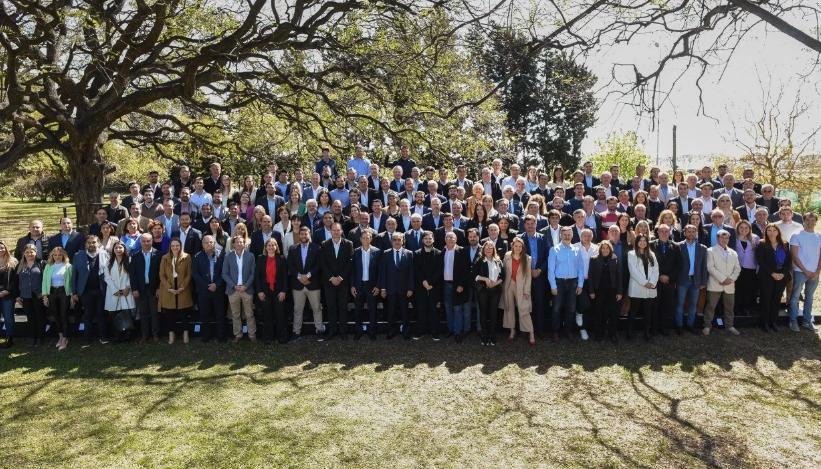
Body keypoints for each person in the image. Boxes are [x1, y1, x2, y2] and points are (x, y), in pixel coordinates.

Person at [547, 226, 585, 342]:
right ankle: (555, 332)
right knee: (557, 308)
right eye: (565, 234)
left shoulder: (577, 250)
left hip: (573, 283)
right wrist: (553, 286)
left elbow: (581, 269)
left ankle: (568, 331)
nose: (567, 236)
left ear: (572, 235)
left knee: (571, 308)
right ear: (560, 235)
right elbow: (550, 269)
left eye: (569, 234)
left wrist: (580, 285)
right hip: (559, 283)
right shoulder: (554, 249)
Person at [703, 230, 741, 336]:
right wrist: (723, 279)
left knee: (729, 307)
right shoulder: (710, 251)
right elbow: (710, 267)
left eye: (726, 238)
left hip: (729, 285)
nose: (724, 240)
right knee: (711, 306)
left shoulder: (733, 253)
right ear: (717, 238)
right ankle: (707, 326)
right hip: (715, 284)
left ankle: (730, 326)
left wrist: (731, 279)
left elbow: (737, 269)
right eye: (722, 237)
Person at [318, 223, 353, 339]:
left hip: (343, 282)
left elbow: (350, 262)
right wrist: (332, 278)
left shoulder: (348, 244)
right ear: (331, 231)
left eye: (338, 230)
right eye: (334, 230)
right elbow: (322, 263)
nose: (336, 232)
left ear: (342, 231)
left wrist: (340, 277)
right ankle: (332, 331)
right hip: (329, 282)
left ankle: (343, 332)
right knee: (331, 307)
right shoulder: (324, 244)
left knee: (343, 307)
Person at [287, 226, 323, 339]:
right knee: (298, 309)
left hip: (313, 284)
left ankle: (319, 330)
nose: (303, 236)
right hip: (298, 285)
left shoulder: (317, 248)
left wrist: (307, 276)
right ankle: (296, 332)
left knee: (316, 308)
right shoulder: (293, 248)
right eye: (301, 234)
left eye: (305, 234)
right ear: (299, 235)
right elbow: (290, 265)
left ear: (309, 235)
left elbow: (319, 265)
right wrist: (300, 276)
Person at [72, 236, 109, 345]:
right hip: (85, 291)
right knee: (87, 315)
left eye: (93, 242)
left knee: (101, 314)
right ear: (85, 244)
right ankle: (87, 339)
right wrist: (74, 292)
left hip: (101, 290)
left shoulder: (105, 254)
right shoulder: (78, 256)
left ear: (98, 243)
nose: (91, 244)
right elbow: (74, 275)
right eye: (89, 242)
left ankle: (103, 337)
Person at [756, 224, 792, 332]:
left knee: (776, 300)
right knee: (766, 300)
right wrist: (772, 273)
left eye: (774, 230)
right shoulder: (762, 244)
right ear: (766, 232)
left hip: (781, 277)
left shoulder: (785, 244)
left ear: (778, 232)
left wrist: (783, 274)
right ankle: (765, 323)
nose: (772, 232)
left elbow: (789, 261)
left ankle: (773, 322)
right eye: (769, 230)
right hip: (767, 276)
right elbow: (760, 261)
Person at [379, 232, 414, 340]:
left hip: (404, 289)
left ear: (403, 241)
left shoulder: (409, 253)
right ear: (391, 241)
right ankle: (391, 331)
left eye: (399, 240)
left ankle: (406, 332)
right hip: (390, 288)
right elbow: (383, 272)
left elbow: (411, 273)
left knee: (405, 311)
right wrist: (383, 289)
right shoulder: (385, 253)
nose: (397, 242)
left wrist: (410, 288)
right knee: (391, 312)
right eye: (395, 240)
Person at [788, 212, 819, 331]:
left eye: (812, 220)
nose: (810, 223)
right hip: (800, 271)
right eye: (807, 220)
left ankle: (807, 321)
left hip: (814, 273)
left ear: (816, 221)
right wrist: (805, 271)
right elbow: (794, 256)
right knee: (795, 296)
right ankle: (793, 321)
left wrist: (817, 272)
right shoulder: (796, 235)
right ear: (804, 221)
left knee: (810, 297)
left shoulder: (819, 236)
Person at [192, 235, 227, 342]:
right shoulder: (197, 256)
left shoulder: (222, 254)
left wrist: (216, 284)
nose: (209, 244)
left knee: (220, 314)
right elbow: (195, 274)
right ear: (202, 245)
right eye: (206, 243)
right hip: (203, 291)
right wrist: (206, 285)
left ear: (214, 243)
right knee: (204, 314)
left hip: (218, 289)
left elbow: (225, 272)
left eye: (211, 242)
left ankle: (221, 336)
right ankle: (206, 336)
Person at [159, 238, 193, 344]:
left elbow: (189, 274)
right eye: (173, 245)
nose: (175, 248)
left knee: (184, 314)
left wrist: (183, 286)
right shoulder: (164, 258)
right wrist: (169, 287)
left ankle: (185, 334)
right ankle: (171, 334)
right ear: (170, 246)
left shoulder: (187, 257)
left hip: (182, 289)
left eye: (177, 245)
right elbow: (162, 274)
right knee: (170, 314)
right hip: (169, 290)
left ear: (180, 246)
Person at [222, 235, 256, 343]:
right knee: (235, 314)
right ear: (233, 244)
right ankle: (238, 334)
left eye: (241, 242)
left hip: (247, 289)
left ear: (244, 244)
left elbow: (253, 273)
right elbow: (224, 273)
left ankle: (252, 334)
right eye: (237, 242)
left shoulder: (250, 256)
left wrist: (246, 285)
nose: (239, 244)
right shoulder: (228, 256)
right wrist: (233, 285)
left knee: (249, 314)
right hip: (233, 290)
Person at [675, 224, 708, 334]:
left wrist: (703, 281)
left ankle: (690, 324)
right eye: (688, 231)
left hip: (696, 280)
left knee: (693, 304)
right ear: (684, 233)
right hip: (682, 280)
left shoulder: (703, 248)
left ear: (696, 233)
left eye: (693, 231)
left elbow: (704, 266)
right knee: (680, 304)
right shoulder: (678, 246)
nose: (691, 233)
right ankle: (679, 326)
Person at [588, 240, 623, 342]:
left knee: (613, 313)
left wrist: (620, 292)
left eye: (607, 248)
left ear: (610, 249)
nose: (605, 250)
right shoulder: (594, 259)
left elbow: (619, 276)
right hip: (598, 290)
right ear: (600, 249)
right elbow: (590, 276)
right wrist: (591, 291)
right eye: (603, 248)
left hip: (612, 290)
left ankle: (613, 334)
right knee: (599, 313)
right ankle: (599, 333)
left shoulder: (615, 258)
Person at [128, 233, 161, 342]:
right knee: (143, 313)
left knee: (154, 313)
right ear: (140, 242)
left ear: (152, 241)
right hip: (140, 289)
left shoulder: (158, 254)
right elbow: (132, 275)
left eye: (148, 241)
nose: (146, 243)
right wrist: (134, 289)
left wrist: (159, 288)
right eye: (144, 241)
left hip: (154, 288)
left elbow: (161, 273)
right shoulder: (135, 255)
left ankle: (155, 334)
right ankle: (145, 335)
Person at [255, 238, 289, 344]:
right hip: (265, 291)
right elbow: (257, 277)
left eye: (273, 245)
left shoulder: (282, 258)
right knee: (267, 314)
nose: (271, 247)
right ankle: (268, 337)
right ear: (265, 247)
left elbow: (285, 277)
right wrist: (259, 291)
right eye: (268, 245)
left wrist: (283, 291)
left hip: (279, 291)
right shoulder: (260, 258)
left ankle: (281, 337)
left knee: (280, 314)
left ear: (276, 247)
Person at [501, 237, 534, 345]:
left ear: (522, 247)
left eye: (520, 246)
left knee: (523, 309)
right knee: (509, 308)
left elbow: (529, 276)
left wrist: (527, 291)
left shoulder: (527, 258)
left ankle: (531, 333)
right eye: (516, 246)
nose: (518, 248)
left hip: (522, 287)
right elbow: (504, 271)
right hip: (508, 285)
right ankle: (512, 331)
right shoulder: (507, 256)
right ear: (512, 246)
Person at [626, 234, 659, 340]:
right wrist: (645, 283)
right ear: (636, 242)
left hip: (650, 287)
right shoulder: (631, 254)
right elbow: (633, 271)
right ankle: (629, 332)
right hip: (637, 287)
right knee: (633, 311)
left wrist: (652, 282)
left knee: (648, 312)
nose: (643, 243)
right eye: (640, 240)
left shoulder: (651, 254)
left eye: (645, 241)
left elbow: (656, 270)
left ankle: (646, 332)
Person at [351, 229, 382, 340]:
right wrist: (352, 285)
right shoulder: (355, 251)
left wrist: (378, 286)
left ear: (371, 239)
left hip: (372, 286)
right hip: (359, 285)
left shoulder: (377, 252)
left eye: (367, 238)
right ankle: (358, 331)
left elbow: (380, 271)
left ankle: (372, 332)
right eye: (363, 238)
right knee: (358, 310)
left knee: (372, 310)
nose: (365, 240)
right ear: (360, 239)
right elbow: (353, 270)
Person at [42, 246, 74, 351]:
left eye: (59, 255)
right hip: (52, 292)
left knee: (64, 315)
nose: (57, 257)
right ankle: (60, 337)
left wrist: (72, 295)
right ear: (52, 256)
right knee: (55, 315)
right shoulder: (48, 266)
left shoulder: (68, 266)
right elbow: (44, 281)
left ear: (63, 255)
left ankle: (65, 338)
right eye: (55, 255)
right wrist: (45, 295)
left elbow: (71, 282)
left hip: (64, 292)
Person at [651, 224, 681, 335]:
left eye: (666, 231)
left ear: (669, 233)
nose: (664, 233)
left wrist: (669, 277)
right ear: (657, 232)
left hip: (669, 282)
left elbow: (678, 265)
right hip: (655, 281)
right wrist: (658, 276)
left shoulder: (676, 246)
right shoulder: (650, 245)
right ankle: (653, 328)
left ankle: (664, 328)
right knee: (654, 305)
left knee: (667, 305)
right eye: (661, 231)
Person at [102, 240, 134, 342]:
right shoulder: (109, 262)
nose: (118, 249)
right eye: (116, 248)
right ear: (113, 250)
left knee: (126, 313)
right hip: (113, 292)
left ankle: (127, 335)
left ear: (124, 249)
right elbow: (107, 277)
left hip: (126, 291)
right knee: (114, 313)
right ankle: (117, 335)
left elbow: (132, 276)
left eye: (120, 247)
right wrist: (114, 289)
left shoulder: (129, 260)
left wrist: (127, 287)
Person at [413, 230, 443, 340]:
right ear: (422, 240)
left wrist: (430, 282)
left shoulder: (439, 253)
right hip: (421, 286)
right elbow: (417, 270)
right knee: (421, 309)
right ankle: (420, 331)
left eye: (430, 238)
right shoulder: (416, 253)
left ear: (433, 240)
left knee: (433, 310)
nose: (428, 240)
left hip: (434, 286)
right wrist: (424, 282)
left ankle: (434, 332)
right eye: (426, 239)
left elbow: (440, 270)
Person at [474, 239, 504, 345]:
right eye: (487, 247)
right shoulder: (479, 260)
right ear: (483, 249)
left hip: (495, 290)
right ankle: (484, 336)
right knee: (483, 313)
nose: (489, 249)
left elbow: (503, 277)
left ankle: (492, 335)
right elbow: (474, 275)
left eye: (491, 247)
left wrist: (495, 284)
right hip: (483, 290)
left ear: (493, 249)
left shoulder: (498, 261)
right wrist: (485, 279)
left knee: (493, 313)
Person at [15, 244, 44, 346]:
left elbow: (46, 280)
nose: (29, 254)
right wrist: (18, 296)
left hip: (38, 295)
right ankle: (32, 337)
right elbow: (16, 282)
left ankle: (40, 337)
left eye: (32, 251)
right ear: (24, 253)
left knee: (39, 317)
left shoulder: (41, 263)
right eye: (27, 252)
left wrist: (44, 294)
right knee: (30, 317)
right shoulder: (20, 265)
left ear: (36, 252)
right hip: (25, 296)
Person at [734, 220, 760, 316]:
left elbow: (758, 254)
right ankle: (737, 308)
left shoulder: (755, 238)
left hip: (751, 268)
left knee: (749, 289)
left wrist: (758, 268)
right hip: (737, 268)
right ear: (737, 228)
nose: (743, 229)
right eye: (741, 227)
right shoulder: (734, 238)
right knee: (738, 289)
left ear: (749, 229)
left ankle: (747, 308)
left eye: (746, 227)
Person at [0, 240, 18, 348]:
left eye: (2, 247)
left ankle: (9, 338)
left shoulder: (13, 261)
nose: (0, 250)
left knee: (8, 318)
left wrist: (7, 291)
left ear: (6, 248)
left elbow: (15, 280)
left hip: (8, 294)